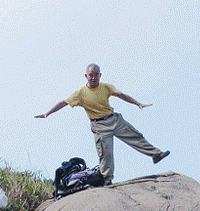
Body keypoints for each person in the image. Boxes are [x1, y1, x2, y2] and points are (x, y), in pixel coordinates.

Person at [35, 64, 169, 185]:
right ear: (86, 76)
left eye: (96, 75)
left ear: (100, 75)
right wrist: (47, 113)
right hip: (99, 126)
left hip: (114, 119)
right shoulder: (80, 93)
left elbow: (121, 95)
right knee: (106, 153)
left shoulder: (105, 87)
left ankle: (156, 154)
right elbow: (63, 103)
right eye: (91, 75)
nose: (93, 78)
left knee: (135, 136)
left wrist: (138, 103)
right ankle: (106, 180)